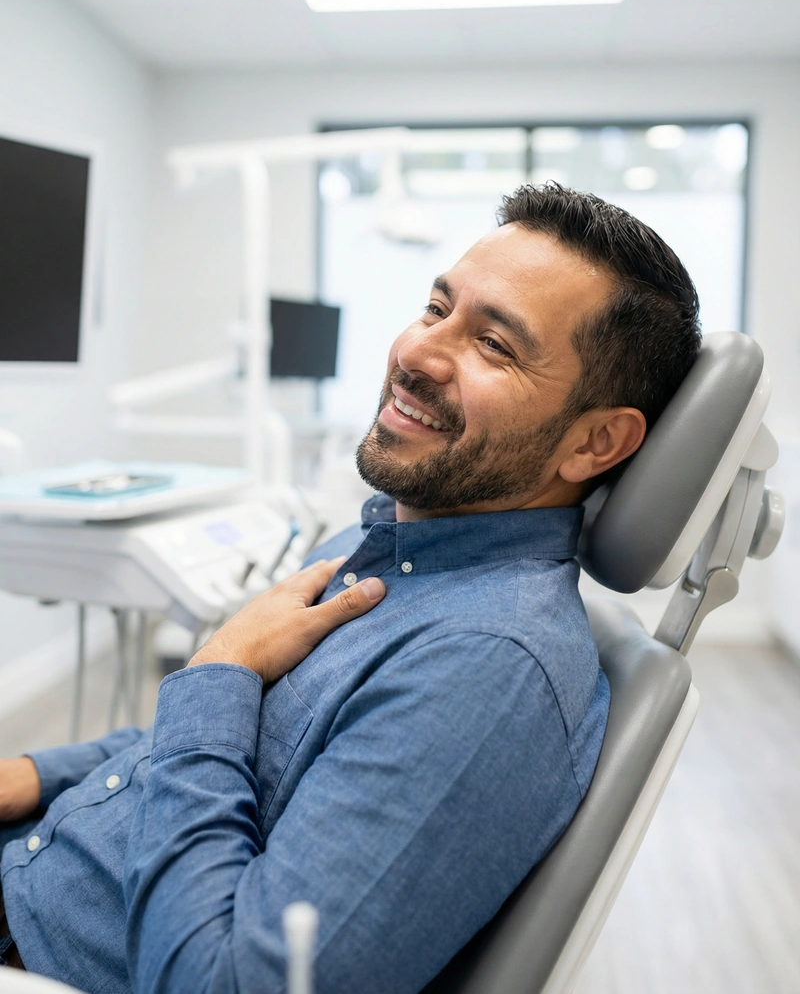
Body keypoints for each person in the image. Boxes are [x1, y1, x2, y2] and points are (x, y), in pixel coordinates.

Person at [0, 184, 701, 994]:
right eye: (437, 307)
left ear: (597, 439)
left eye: (495, 346)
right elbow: (203, 752)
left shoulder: (484, 669)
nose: (419, 352)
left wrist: (217, 668)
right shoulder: (390, 547)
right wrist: (29, 775)